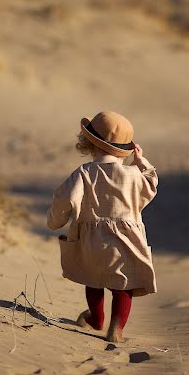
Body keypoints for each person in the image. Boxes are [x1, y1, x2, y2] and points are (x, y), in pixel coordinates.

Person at [46, 110, 158, 343]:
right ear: (125, 151)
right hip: (126, 240)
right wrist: (140, 162)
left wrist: (55, 221)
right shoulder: (132, 175)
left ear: (88, 143)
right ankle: (116, 329)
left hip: (91, 240)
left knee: (93, 278)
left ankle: (95, 318)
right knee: (123, 285)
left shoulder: (84, 173)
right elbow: (151, 185)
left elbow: (65, 200)